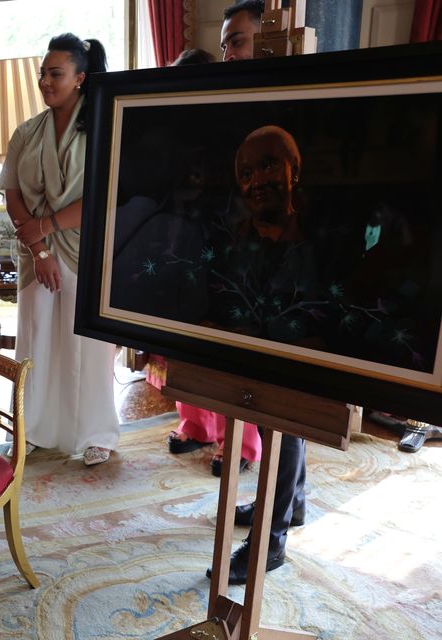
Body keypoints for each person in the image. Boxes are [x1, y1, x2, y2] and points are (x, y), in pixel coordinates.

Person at [0, 33, 119, 466]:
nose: (46, 81)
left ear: (80, 78)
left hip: (85, 251)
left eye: (56, 73)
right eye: (43, 74)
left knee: (87, 345)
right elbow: (11, 193)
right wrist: (40, 248)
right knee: (34, 340)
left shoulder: (104, 126)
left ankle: (96, 433)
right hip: (36, 257)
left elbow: (103, 197)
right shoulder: (27, 132)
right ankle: (31, 428)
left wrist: (46, 229)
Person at [207, 124, 310, 585]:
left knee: (286, 423)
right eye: (246, 173)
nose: (258, 180)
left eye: (270, 165)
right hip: (255, 341)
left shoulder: (317, 237)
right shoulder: (236, 236)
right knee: (274, 422)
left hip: (300, 347)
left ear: (295, 170)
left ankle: (272, 539)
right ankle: (295, 501)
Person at [153, 47, 263, 476]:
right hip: (181, 247)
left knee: (230, 351)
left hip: (229, 248)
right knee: (184, 343)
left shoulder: (234, 124)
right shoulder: (172, 133)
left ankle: (240, 444)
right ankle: (195, 424)